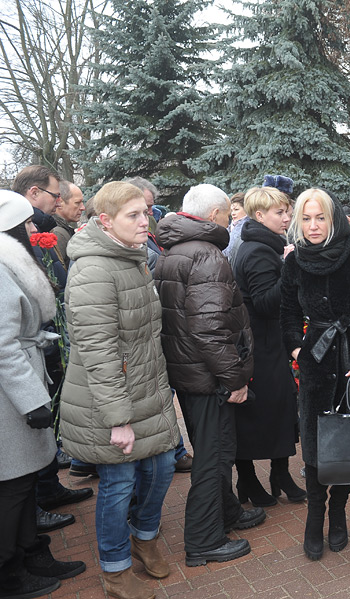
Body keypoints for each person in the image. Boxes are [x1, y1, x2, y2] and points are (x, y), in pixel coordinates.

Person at [60, 181, 180, 599]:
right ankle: (115, 570)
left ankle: (144, 537)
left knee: (162, 469)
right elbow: (97, 350)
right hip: (109, 402)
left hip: (147, 392)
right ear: (105, 221)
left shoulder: (131, 258)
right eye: (134, 215)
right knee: (118, 484)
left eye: (145, 213)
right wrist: (118, 419)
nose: (144, 221)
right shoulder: (94, 269)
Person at [154, 183, 264, 568]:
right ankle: (203, 540)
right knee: (214, 457)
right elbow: (210, 328)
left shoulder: (172, 251)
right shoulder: (206, 256)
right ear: (216, 215)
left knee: (213, 448)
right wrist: (234, 379)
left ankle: (228, 512)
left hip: (188, 373)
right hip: (208, 376)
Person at [281, 188, 350, 561]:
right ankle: (316, 515)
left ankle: (339, 511)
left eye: (320, 217)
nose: (313, 226)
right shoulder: (294, 263)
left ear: (333, 218)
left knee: (347, 441)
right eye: (307, 218)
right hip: (316, 361)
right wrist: (297, 349)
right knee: (315, 444)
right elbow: (287, 314)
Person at [0, 190, 86, 599]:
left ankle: (32, 552)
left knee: (24, 481)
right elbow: (3, 345)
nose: (35, 229)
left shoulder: (9, 261)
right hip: (11, 398)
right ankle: (10, 571)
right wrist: (31, 399)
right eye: (28, 223)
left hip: (23, 385)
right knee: (13, 487)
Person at [13, 167, 93, 531]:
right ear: (33, 194)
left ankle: (47, 488)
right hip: (27, 360)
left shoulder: (34, 239)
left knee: (42, 441)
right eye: (55, 194)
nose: (59, 202)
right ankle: (34, 511)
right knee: (26, 450)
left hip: (42, 347)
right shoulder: (14, 252)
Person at [230, 186, 306, 507]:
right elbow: (263, 302)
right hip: (260, 347)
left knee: (280, 409)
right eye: (280, 212)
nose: (287, 218)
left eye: (288, 211)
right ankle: (247, 479)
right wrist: (289, 267)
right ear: (259, 216)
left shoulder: (265, 244)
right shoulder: (259, 251)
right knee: (260, 413)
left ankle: (279, 474)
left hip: (269, 344)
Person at [51, 180, 85, 261]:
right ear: (59, 202)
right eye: (77, 203)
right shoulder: (57, 233)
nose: (83, 208)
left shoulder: (61, 230)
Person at [223, 192, 247, 259]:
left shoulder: (247, 228)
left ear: (246, 209)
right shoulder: (230, 227)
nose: (233, 213)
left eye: (236, 210)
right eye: (231, 210)